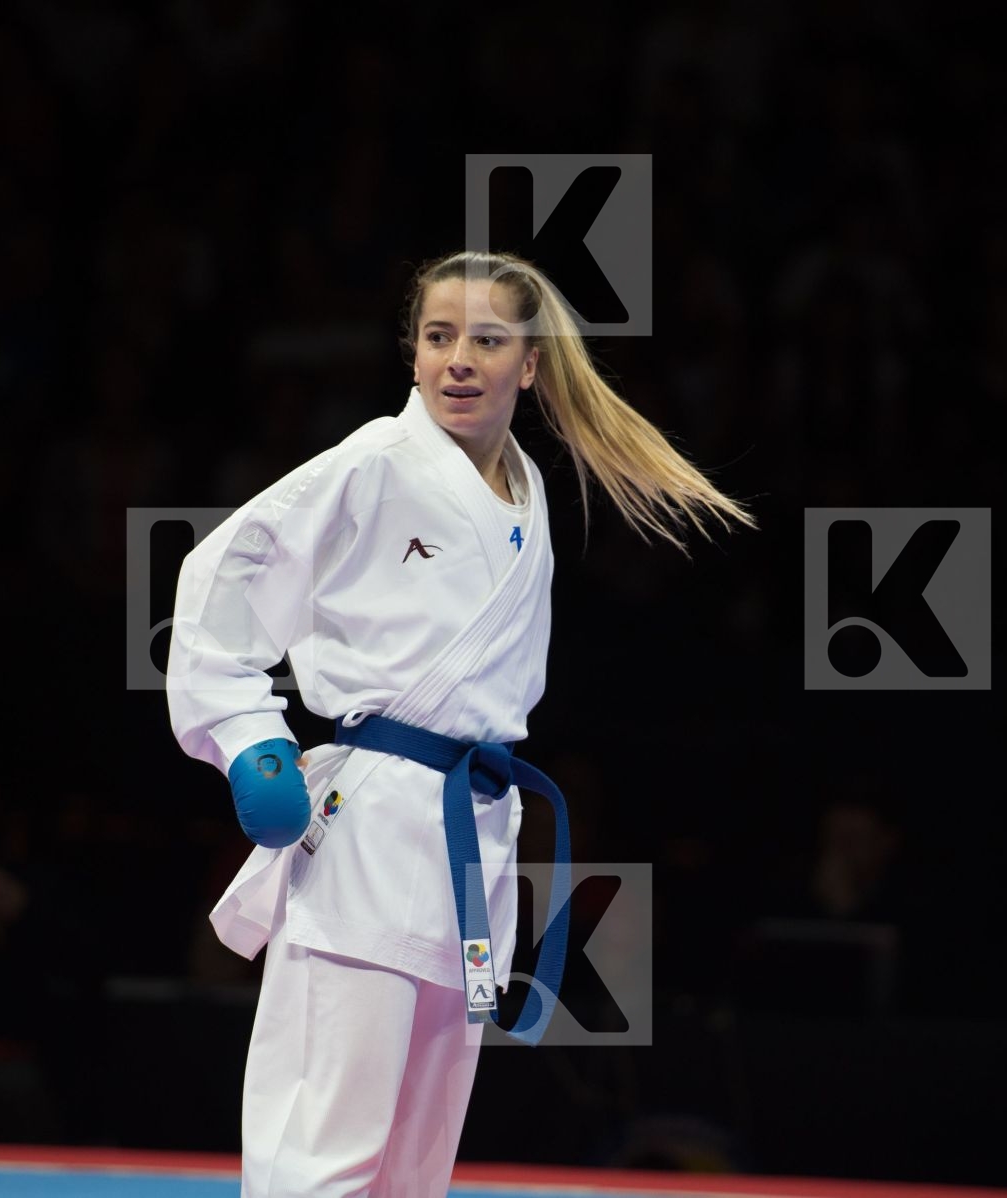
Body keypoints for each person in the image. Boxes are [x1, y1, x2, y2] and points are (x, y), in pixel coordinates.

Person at [165, 249, 753, 1197]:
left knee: (416, 1163)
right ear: (413, 355)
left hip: (470, 835)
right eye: (439, 337)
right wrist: (247, 737)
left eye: (487, 339)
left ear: (531, 365)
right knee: (324, 1150)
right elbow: (217, 581)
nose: (459, 359)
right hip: (366, 827)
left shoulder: (523, 490)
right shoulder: (374, 463)